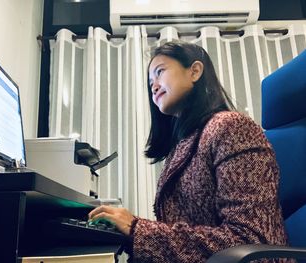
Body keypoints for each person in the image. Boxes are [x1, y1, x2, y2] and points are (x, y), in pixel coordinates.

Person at [88, 41, 289, 262]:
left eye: (160, 72)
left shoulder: (231, 127)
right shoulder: (183, 145)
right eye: (150, 81)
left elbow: (248, 240)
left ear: (194, 71)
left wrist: (137, 229)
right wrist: (131, 232)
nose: (153, 86)